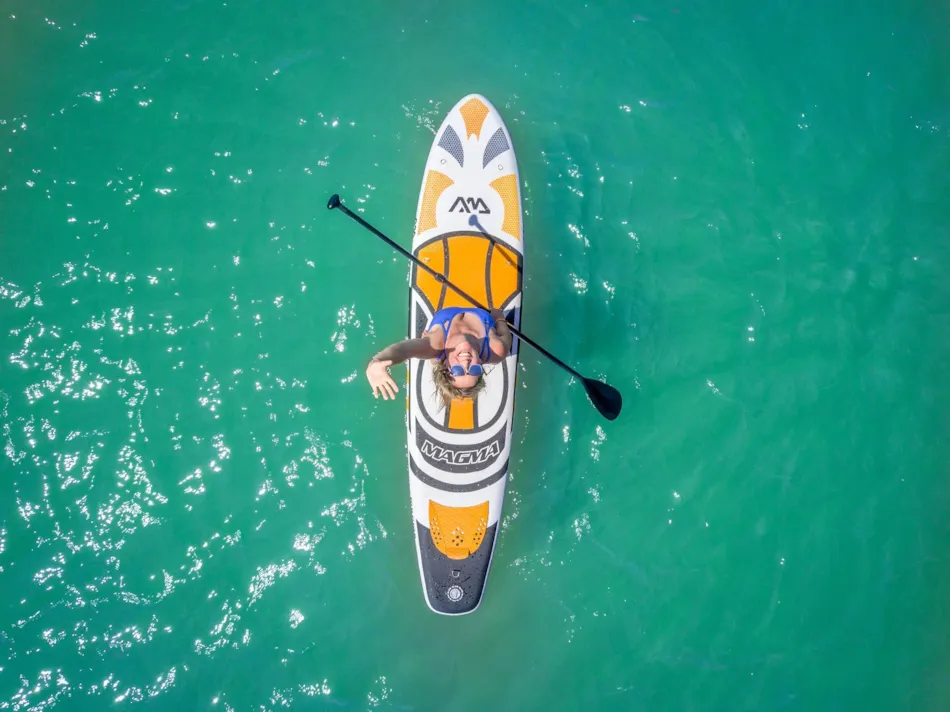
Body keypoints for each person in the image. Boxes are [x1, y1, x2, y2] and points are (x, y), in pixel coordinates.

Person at [366, 306, 512, 406]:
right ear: (480, 363)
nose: (466, 364)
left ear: (447, 366)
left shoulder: (435, 345)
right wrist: (499, 319)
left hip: (439, 335)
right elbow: (505, 334)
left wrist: (376, 362)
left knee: (428, 350)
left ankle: (429, 349)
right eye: (474, 370)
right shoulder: (497, 350)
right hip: (484, 312)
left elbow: (403, 351)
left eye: (458, 371)